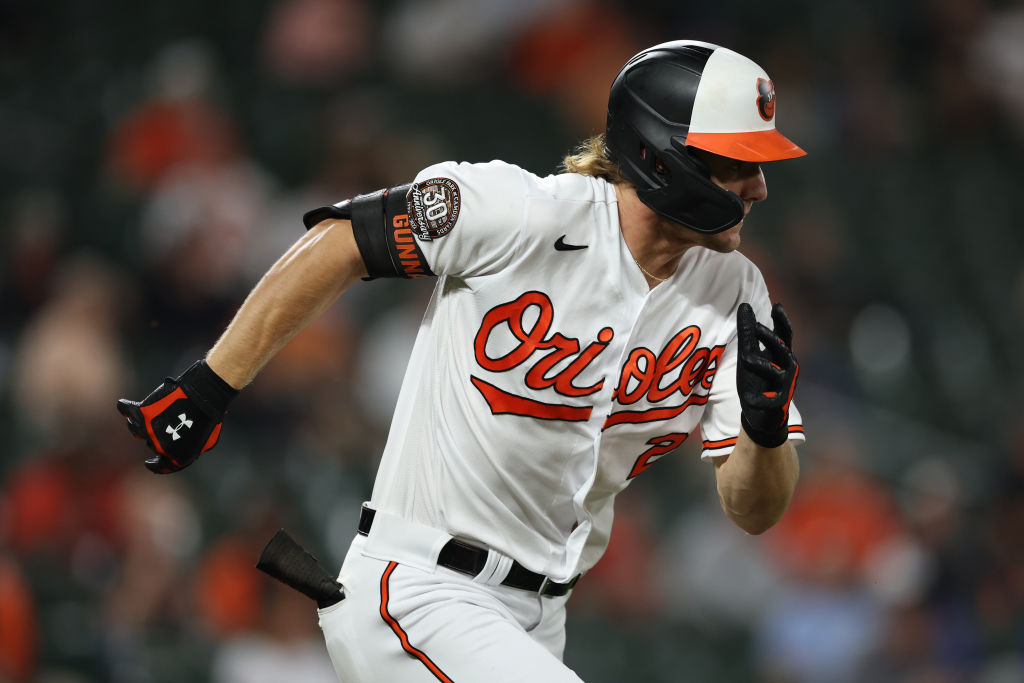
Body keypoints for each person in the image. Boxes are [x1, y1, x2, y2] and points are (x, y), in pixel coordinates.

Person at [117, 40, 806, 682]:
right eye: (738, 162)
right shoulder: (521, 215)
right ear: (662, 155)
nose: (759, 188)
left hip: (540, 621)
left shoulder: (736, 291)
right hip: (419, 588)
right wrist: (210, 385)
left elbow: (753, 509)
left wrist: (765, 429)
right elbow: (342, 241)